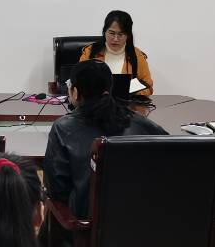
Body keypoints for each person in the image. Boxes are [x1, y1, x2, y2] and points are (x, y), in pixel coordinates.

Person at [43, 60, 166, 219]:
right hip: (140, 220)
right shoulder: (141, 123)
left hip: (84, 224)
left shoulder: (62, 128)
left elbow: (57, 191)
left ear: (75, 92)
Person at [79, 10, 153, 96]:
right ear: (104, 32)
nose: (115, 39)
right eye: (112, 33)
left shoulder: (137, 56)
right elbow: (78, 81)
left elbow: (148, 87)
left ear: (128, 36)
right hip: (96, 102)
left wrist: (129, 91)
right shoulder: (90, 53)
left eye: (121, 34)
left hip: (125, 102)